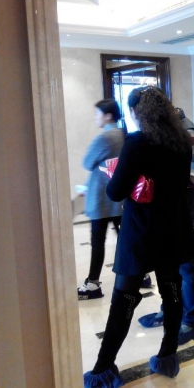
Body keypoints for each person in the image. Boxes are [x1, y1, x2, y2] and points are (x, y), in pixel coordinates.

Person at [83, 87, 194, 386]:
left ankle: (103, 369)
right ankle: (168, 356)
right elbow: (181, 184)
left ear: (136, 112)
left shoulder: (136, 142)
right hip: (174, 227)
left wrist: (113, 174)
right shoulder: (182, 141)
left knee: (125, 297)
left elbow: (116, 191)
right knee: (172, 290)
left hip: (142, 231)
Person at [137, 107, 194, 346]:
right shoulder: (172, 131)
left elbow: (193, 178)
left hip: (184, 210)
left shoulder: (189, 133)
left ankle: (192, 319)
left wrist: (164, 185)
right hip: (170, 208)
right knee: (169, 265)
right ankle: (169, 309)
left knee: (187, 266)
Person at [78, 99, 124, 300]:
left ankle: (92, 284)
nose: (95, 117)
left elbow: (87, 162)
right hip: (118, 196)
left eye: (98, 114)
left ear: (108, 115)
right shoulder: (124, 135)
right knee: (125, 239)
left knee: (98, 242)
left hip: (101, 198)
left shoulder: (104, 138)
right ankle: (141, 275)